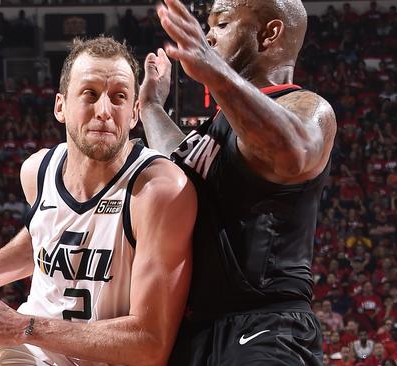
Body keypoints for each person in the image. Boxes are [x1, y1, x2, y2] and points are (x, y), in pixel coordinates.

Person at [0, 36, 197, 366]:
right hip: (34, 353)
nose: (104, 111)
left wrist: (21, 327)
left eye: (119, 97)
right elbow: (48, 235)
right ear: (60, 106)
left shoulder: (158, 190)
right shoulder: (37, 170)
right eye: (90, 94)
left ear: (135, 113)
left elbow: (149, 344)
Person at [138, 0, 336, 364]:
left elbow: (295, 151)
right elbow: (180, 158)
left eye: (223, 23)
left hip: (266, 329)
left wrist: (213, 72)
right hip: (196, 332)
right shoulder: (222, 125)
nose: (208, 35)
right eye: (207, 26)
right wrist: (150, 106)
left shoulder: (307, 107)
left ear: (268, 33)